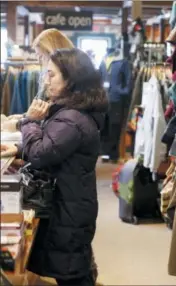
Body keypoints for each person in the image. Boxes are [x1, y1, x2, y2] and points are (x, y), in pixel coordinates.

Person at [0, 48, 108, 286]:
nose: (45, 80)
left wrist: (30, 121)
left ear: (70, 79)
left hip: (67, 205)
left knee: (71, 272)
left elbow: (41, 154)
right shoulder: (74, 112)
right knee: (74, 266)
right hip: (71, 199)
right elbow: (57, 149)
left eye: (51, 75)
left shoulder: (71, 117)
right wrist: (19, 150)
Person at [4, 28, 74, 124]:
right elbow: (42, 110)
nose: (39, 61)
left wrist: (20, 123)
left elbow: (48, 114)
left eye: (41, 56)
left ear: (52, 52)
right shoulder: (49, 76)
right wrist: (23, 117)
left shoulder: (64, 80)